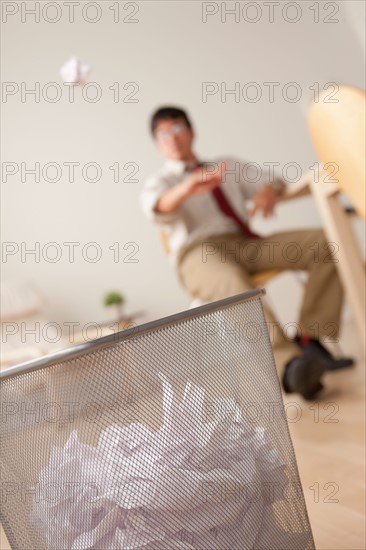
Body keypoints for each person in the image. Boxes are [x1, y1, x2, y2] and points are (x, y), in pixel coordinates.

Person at [139, 106, 353, 400]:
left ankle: (309, 337)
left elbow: (273, 180)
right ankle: (290, 367)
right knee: (233, 284)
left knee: (326, 243)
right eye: (163, 134)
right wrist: (188, 188)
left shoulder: (226, 165)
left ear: (191, 131)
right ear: (157, 143)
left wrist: (268, 189)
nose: (172, 139)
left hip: (244, 244)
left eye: (177, 129)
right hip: (199, 253)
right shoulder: (162, 182)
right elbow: (159, 206)